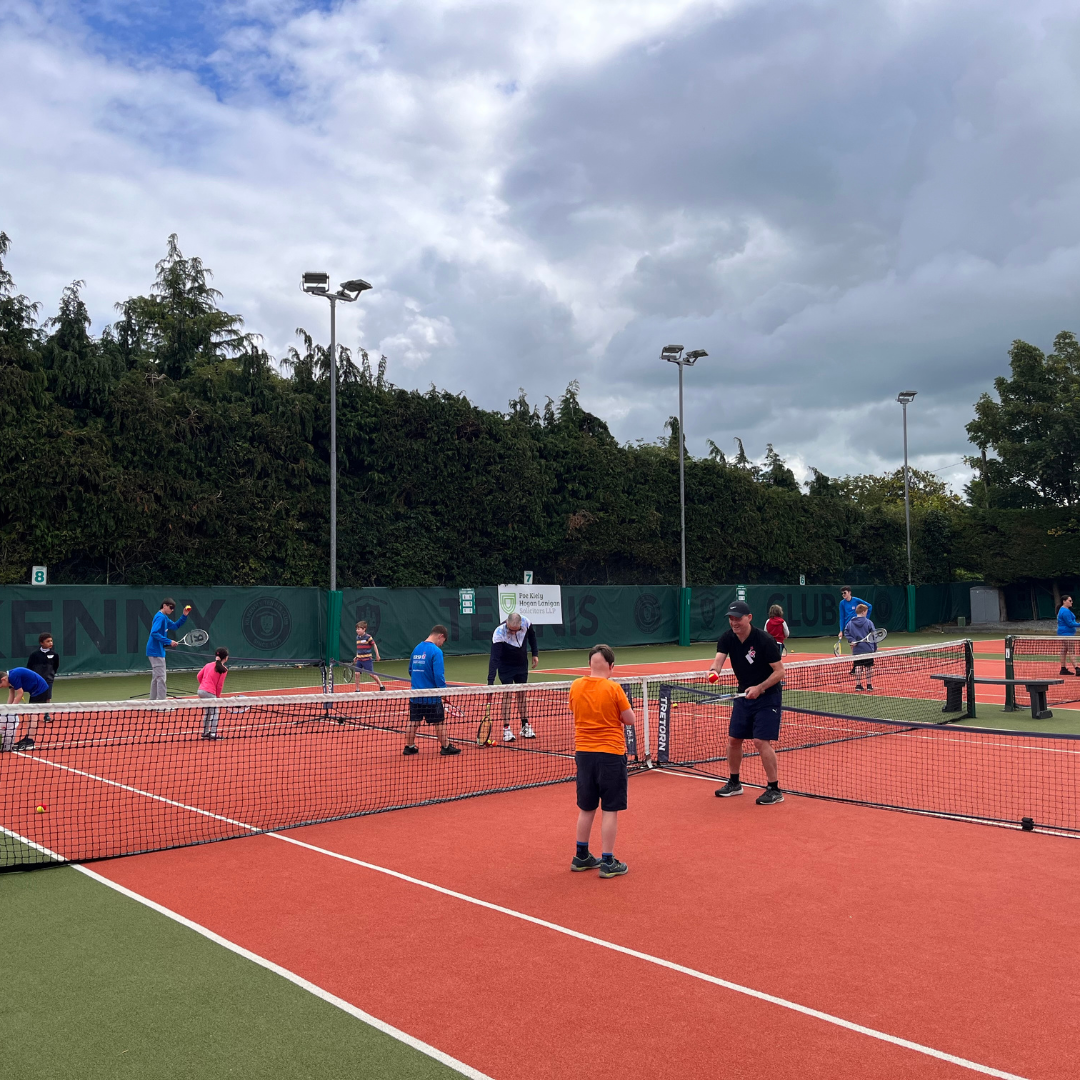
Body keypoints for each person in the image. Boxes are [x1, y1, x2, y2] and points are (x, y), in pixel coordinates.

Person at [568, 644, 636, 878]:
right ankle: (608, 861)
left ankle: (581, 855)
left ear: (589, 664)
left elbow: (576, 710)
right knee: (610, 809)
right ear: (611, 666)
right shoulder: (613, 688)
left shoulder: (576, 686)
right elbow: (630, 719)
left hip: (584, 754)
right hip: (610, 754)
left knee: (586, 807)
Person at [711, 600, 786, 805]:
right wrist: (713, 671)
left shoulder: (764, 640)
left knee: (760, 741)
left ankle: (774, 789)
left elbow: (780, 672)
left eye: (738, 618)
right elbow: (718, 661)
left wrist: (759, 688)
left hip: (767, 695)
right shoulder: (727, 638)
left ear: (749, 618)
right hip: (743, 696)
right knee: (734, 740)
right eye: (731, 618)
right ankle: (735, 783)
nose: (734, 622)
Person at [403, 625, 461, 756]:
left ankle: (409, 746)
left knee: (413, 721)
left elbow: (410, 670)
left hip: (415, 695)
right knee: (439, 722)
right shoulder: (436, 651)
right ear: (441, 636)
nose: (441, 644)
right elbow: (439, 675)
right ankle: (445, 747)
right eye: (443, 641)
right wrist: (443, 691)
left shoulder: (416, 649)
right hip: (431, 697)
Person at [487, 612, 540, 742]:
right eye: (511, 630)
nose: (514, 633)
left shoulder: (526, 623)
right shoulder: (499, 633)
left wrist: (535, 653)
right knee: (507, 695)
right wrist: (490, 682)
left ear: (521, 624)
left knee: (522, 694)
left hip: (522, 665)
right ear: (507, 623)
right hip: (506, 667)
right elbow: (494, 659)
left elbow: (532, 637)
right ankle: (506, 729)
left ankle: (525, 725)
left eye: (516, 630)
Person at [146, 599, 190, 700]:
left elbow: (175, 626)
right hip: (155, 651)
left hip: (157, 651)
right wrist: (169, 641)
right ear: (164, 606)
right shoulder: (160, 617)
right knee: (161, 678)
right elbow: (154, 632)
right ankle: (162, 704)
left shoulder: (164, 617)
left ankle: (152, 702)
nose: (172, 610)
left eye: (173, 608)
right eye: (171, 607)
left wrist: (184, 615)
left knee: (156, 678)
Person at [1, 666, 52, 751]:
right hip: (35, 691)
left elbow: (20, 694)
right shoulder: (9, 678)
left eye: (1, 685)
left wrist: (12, 709)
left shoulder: (13, 676)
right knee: (30, 714)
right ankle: (27, 739)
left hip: (40, 690)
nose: (1, 687)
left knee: (33, 715)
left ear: (3, 679)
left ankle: (30, 742)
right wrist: (7, 709)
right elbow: (11, 695)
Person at [26, 631, 59, 727]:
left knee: (47, 697)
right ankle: (31, 714)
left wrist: (50, 675)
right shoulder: (34, 655)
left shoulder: (55, 655)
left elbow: (55, 667)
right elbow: (29, 667)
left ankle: (46, 715)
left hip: (48, 680)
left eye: (51, 641)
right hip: (36, 680)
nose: (51, 643)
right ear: (41, 643)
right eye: (48, 641)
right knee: (33, 696)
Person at [197, 647, 230, 740]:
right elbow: (219, 685)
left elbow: (199, 676)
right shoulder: (224, 670)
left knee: (208, 712)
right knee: (215, 712)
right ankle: (213, 734)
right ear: (226, 658)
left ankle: (205, 733)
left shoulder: (208, 665)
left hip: (201, 691)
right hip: (209, 692)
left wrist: (203, 686)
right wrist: (218, 696)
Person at [844, 603, 877, 691]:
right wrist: (874, 648)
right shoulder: (869, 622)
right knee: (868, 667)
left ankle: (858, 685)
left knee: (858, 666)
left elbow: (846, 633)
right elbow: (874, 636)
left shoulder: (850, 623)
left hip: (857, 649)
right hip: (868, 649)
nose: (866, 613)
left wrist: (852, 640)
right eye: (866, 611)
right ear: (863, 612)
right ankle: (869, 685)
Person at [353, 620, 385, 692]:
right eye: (356, 629)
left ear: (364, 629)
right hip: (359, 660)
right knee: (357, 674)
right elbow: (359, 648)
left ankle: (381, 685)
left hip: (367, 660)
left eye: (359, 629)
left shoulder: (368, 637)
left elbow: (374, 645)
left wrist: (377, 655)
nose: (357, 630)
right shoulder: (357, 637)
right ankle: (357, 689)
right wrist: (356, 656)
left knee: (371, 674)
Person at [1057, 595, 1079, 676]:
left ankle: (1063, 669)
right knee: (1071, 650)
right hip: (1066, 633)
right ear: (1064, 601)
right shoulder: (1065, 611)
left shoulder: (1064, 610)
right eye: (1070, 600)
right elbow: (1070, 623)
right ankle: (1077, 669)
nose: (1071, 602)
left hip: (1065, 632)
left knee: (1064, 649)